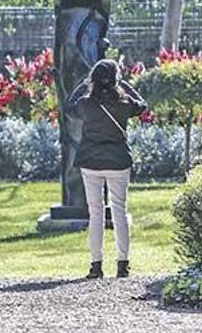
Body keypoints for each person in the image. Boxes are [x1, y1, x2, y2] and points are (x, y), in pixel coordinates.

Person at [66, 59, 147, 279]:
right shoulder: (124, 104)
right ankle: (122, 264)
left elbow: (69, 107)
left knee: (96, 214)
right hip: (118, 161)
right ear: (115, 79)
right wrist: (125, 84)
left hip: (91, 163)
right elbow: (142, 104)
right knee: (119, 211)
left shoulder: (85, 104)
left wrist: (85, 84)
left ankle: (96, 265)